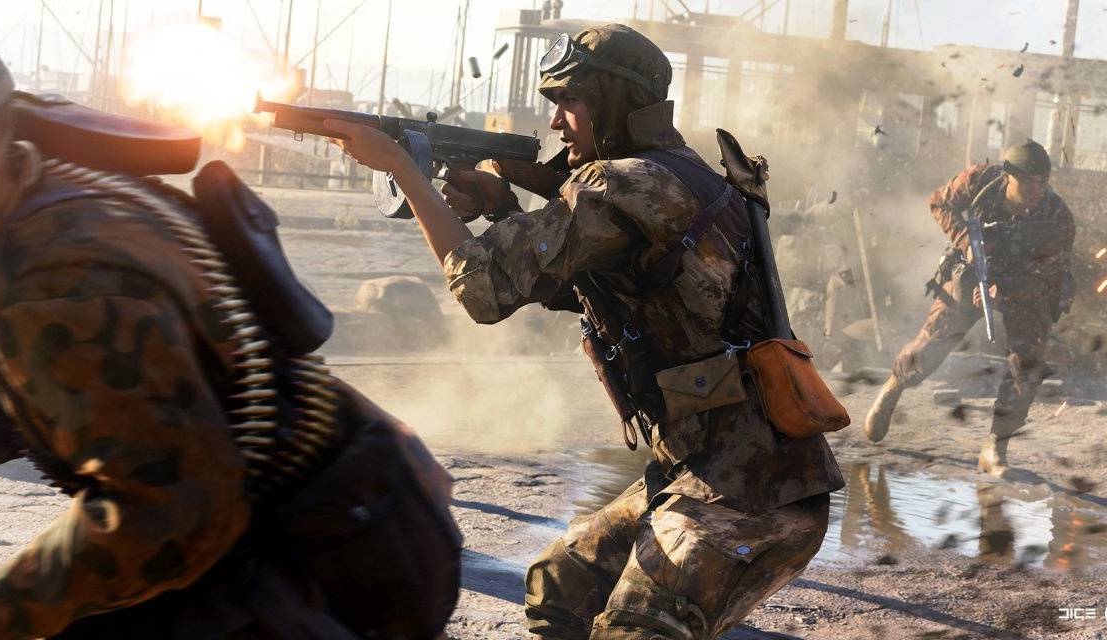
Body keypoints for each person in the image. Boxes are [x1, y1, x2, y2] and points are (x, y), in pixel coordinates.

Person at [0, 23, 459, 640]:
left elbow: (171, 516)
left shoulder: (60, 281)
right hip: (333, 524)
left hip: (317, 574)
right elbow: (96, 394)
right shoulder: (49, 198)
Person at [328, 23, 844, 639]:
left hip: (748, 494)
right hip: (711, 468)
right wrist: (500, 206)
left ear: (613, 102)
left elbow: (483, 289)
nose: (555, 124)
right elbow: (588, 287)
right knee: (561, 587)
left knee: (636, 629)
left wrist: (402, 171)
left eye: (570, 103)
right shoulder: (679, 171)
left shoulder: (619, 182)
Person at [863, 141, 1076, 477]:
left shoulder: (1057, 218)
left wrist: (1004, 293)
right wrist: (966, 242)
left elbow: (1049, 279)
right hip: (973, 271)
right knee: (933, 341)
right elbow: (939, 202)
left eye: (1042, 182)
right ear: (1008, 176)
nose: (1036, 190)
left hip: (1027, 287)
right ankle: (895, 386)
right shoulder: (980, 181)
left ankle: (995, 446)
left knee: (1028, 361)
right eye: (1028, 182)